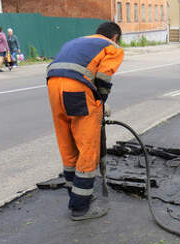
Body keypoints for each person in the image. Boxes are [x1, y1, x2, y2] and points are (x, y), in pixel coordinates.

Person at [46, 22, 124, 221]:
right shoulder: (112, 47)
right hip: (77, 89)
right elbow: (103, 79)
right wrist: (101, 102)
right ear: (114, 37)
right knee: (88, 148)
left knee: (67, 143)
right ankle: (81, 208)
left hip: (53, 86)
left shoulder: (78, 41)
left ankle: (76, 196)